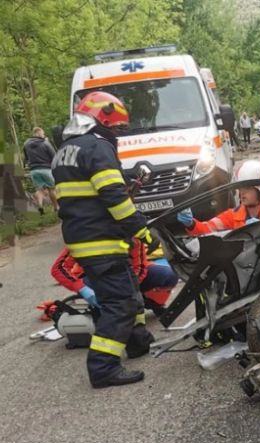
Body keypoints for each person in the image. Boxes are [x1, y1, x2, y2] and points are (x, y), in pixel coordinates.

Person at [52, 91, 160, 388]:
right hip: (101, 239)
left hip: (85, 238)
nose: (117, 136)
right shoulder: (98, 147)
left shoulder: (66, 150)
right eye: (117, 129)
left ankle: (137, 341)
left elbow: (93, 191)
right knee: (120, 303)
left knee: (129, 292)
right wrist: (141, 230)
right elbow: (114, 197)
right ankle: (103, 367)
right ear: (104, 120)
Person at [51, 239, 178, 316]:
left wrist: (131, 289)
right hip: (95, 278)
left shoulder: (130, 232)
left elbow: (139, 267)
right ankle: (107, 308)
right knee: (114, 317)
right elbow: (58, 268)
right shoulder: (84, 235)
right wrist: (81, 288)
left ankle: (152, 302)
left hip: (129, 274)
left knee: (169, 275)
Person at [177, 159, 260, 235]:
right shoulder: (233, 215)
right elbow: (206, 229)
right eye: (240, 188)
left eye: (247, 188)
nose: (242, 192)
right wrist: (190, 224)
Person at [22, 127, 59, 215]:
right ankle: (56, 207)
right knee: (52, 189)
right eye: (43, 134)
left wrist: (25, 166)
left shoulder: (26, 144)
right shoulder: (45, 143)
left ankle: (40, 206)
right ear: (38, 134)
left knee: (40, 190)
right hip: (46, 169)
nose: (44, 135)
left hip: (34, 171)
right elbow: (54, 156)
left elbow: (25, 158)